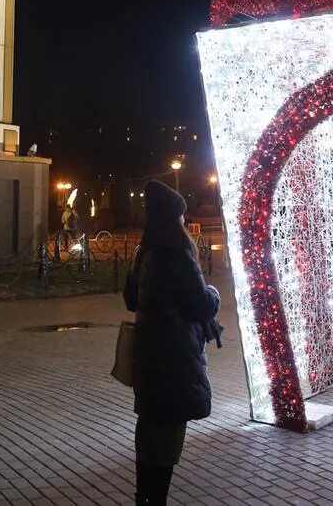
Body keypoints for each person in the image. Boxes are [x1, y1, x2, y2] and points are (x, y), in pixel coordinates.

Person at [123, 180, 221, 506]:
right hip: (176, 361)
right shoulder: (177, 256)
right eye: (181, 216)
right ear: (174, 219)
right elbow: (199, 305)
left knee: (150, 431)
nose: (184, 222)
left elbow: (131, 299)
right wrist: (214, 294)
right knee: (167, 437)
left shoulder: (145, 253)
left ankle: (144, 499)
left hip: (149, 358)